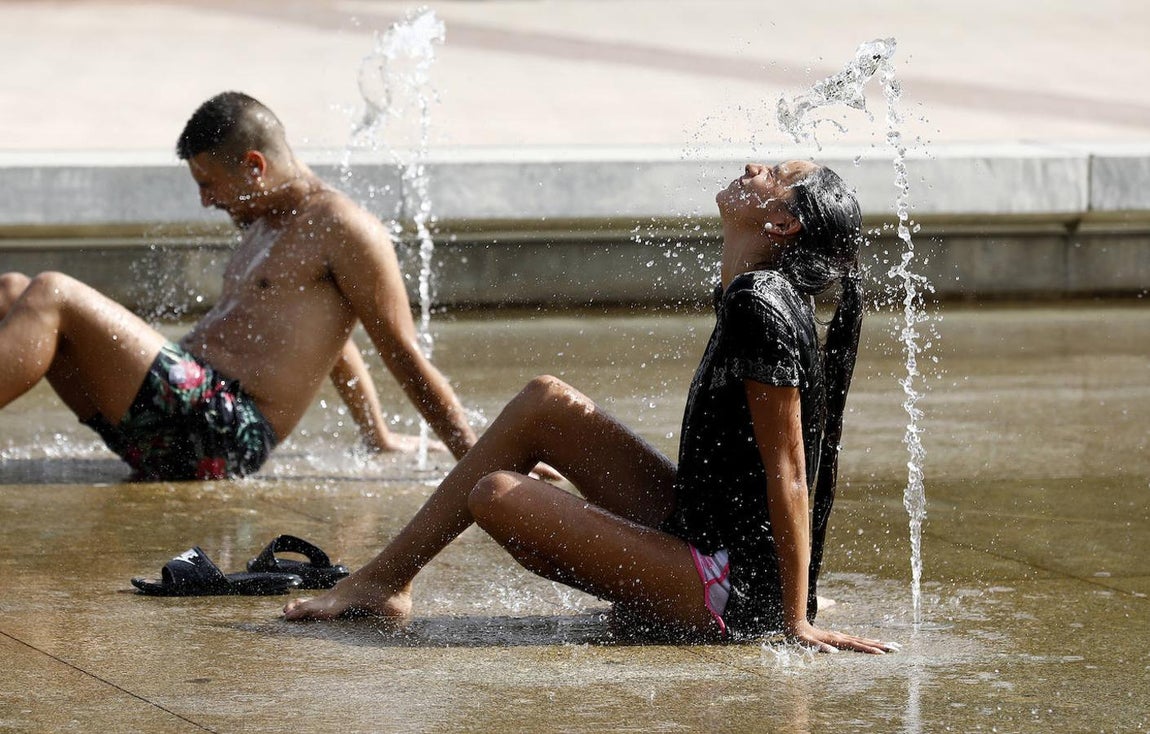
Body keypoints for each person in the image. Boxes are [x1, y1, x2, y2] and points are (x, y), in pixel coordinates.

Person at [284, 160, 893, 653]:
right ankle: (385, 580)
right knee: (545, 401)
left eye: (776, 175)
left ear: (783, 223)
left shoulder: (760, 305)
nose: (755, 166)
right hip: (705, 531)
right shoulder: (750, 292)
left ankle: (680, 601)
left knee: (497, 495)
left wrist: (795, 618)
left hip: (734, 589)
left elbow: (792, 471)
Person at [0, 91, 477, 480]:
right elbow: (334, 344)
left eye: (209, 184)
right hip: (180, 415)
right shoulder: (265, 222)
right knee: (12, 290)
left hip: (225, 434)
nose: (205, 201)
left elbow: (403, 353)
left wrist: (478, 462)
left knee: (50, 293)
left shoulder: (345, 228)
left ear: (254, 165)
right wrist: (377, 434)